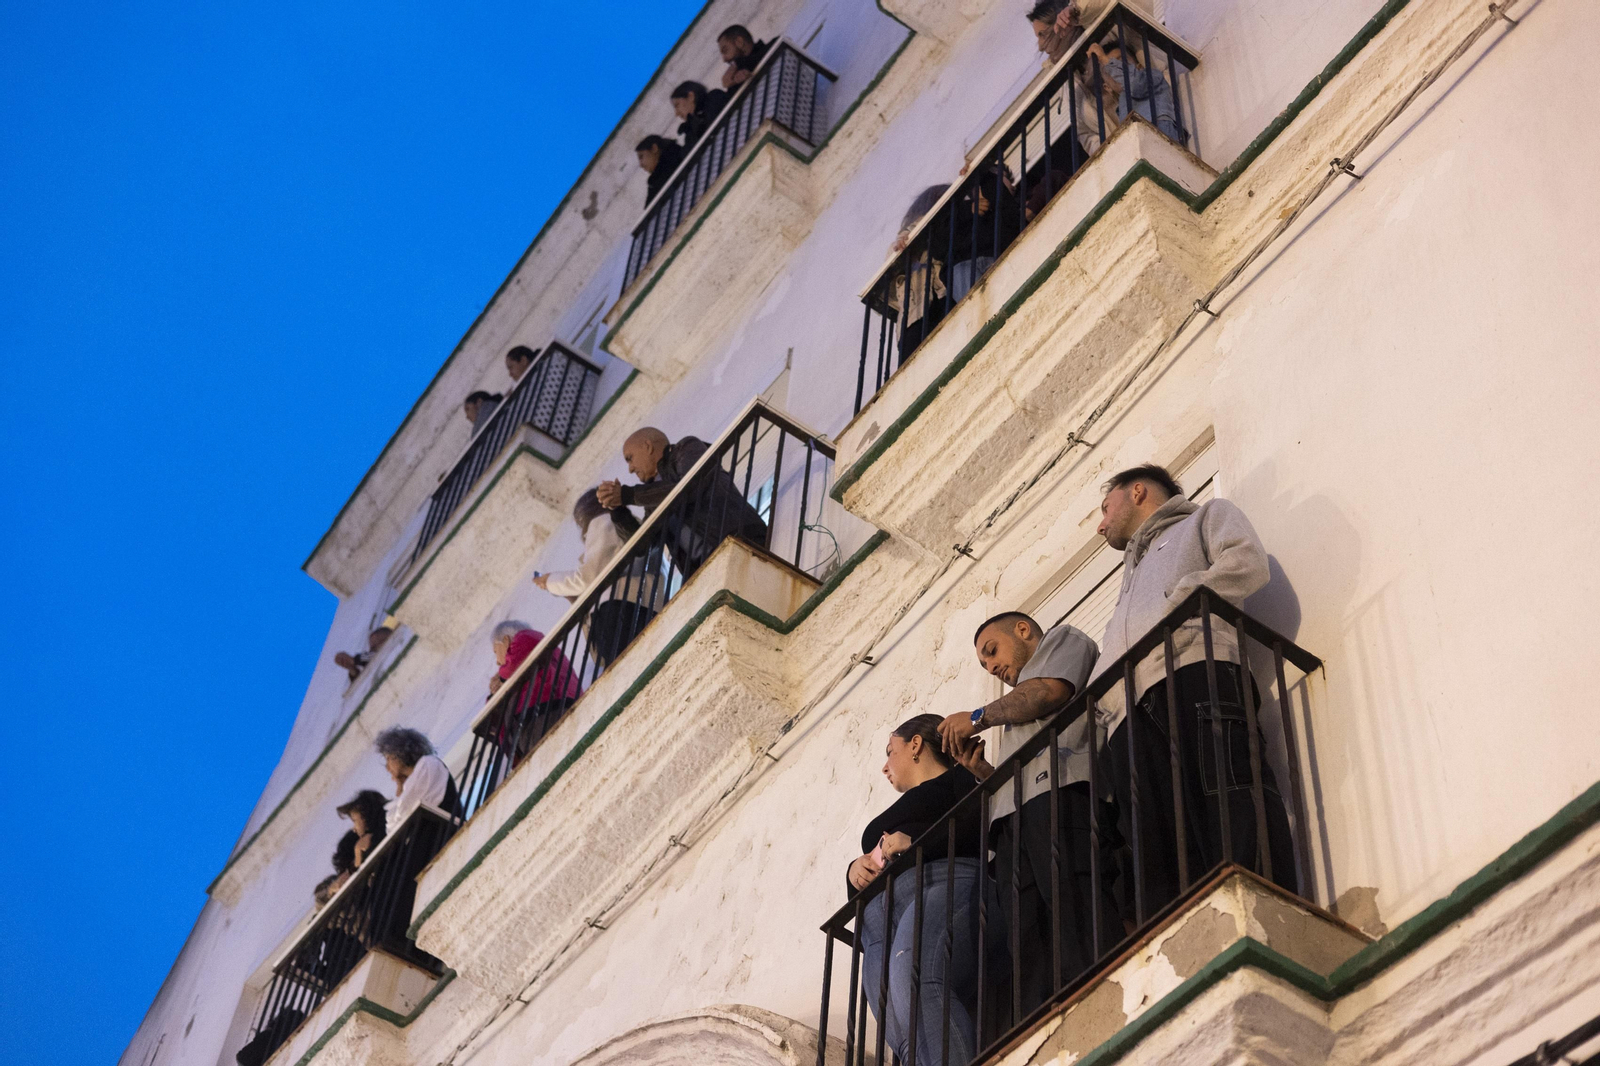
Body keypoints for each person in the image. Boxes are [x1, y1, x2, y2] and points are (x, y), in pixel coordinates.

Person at [1090, 465, 1297, 915]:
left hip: (1194, 674)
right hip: (1130, 715)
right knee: (1158, 844)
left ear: (1138, 491)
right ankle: (1185, 939)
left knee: (1227, 798)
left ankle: (1267, 912)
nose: (1100, 524)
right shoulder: (1127, 582)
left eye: (1106, 508)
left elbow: (1246, 561)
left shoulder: (1203, 519)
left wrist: (1181, 600)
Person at [936, 613, 1120, 1016]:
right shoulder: (1011, 707)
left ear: (1022, 630)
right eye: (985, 665)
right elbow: (1015, 775)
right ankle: (1058, 1021)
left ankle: (1108, 1002)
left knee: (1076, 908)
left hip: (1063, 795)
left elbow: (1050, 692)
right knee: (1032, 939)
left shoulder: (1063, 640)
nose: (993, 667)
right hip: (1014, 825)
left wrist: (975, 717)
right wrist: (982, 771)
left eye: (992, 651)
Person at [848, 715, 987, 1066]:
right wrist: (854, 872)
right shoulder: (889, 813)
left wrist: (916, 842)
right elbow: (863, 876)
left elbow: (979, 821)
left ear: (915, 745)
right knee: (900, 1028)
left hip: (939, 885)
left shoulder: (959, 778)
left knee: (919, 982)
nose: (884, 766)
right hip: (879, 921)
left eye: (889, 751)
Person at [595, 428, 768, 579]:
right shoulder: (653, 494)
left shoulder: (686, 447)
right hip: (707, 568)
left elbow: (690, 485)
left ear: (647, 446)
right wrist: (618, 511)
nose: (630, 469)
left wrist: (628, 494)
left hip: (740, 539)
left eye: (630, 458)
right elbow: (643, 545)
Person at [535, 490, 656, 666]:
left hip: (621, 608)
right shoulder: (618, 524)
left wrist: (550, 581)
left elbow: (587, 578)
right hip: (634, 604)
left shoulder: (603, 522)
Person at [482, 620, 582, 755]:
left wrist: (501, 678)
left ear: (506, 640)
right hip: (535, 720)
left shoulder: (526, 637)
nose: (497, 661)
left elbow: (518, 657)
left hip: (547, 711)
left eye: (496, 651)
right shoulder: (520, 665)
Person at [1085, 37, 1181, 142]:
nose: (1114, 71)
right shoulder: (1121, 106)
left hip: (1159, 128)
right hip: (1141, 137)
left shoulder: (1151, 75)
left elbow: (1135, 84)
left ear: (1139, 67)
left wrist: (1105, 60)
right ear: (1107, 87)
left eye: (1121, 62)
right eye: (1108, 70)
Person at [375, 727, 459, 831]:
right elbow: (393, 824)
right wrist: (400, 790)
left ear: (399, 753)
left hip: (447, 830)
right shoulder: (411, 782)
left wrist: (401, 795)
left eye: (388, 759)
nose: (387, 767)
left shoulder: (428, 763)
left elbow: (403, 813)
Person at [335, 789, 389, 866]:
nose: (354, 829)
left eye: (354, 821)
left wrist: (358, 854)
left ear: (366, 817)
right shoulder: (390, 822)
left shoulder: (374, 842)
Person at [671, 80, 728, 151]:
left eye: (677, 105)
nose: (677, 113)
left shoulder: (714, 97)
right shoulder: (690, 130)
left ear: (691, 96)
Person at [717, 25, 771, 90]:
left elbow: (756, 59)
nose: (724, 59)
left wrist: (735, 64)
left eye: (725, 50)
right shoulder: (736, 82)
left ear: (739, 42)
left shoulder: (771, 48)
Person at [636, 135, 684, 204]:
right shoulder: (655, 180)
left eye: (641, 157)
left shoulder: (673, 162)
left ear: (654, 148)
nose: (641, 164)